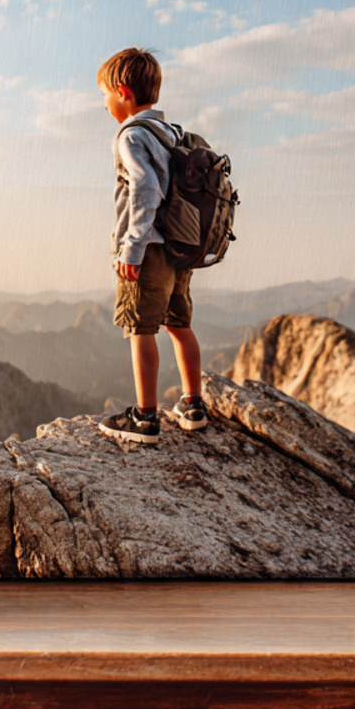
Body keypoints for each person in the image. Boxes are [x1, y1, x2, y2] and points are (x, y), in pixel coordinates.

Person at [95, 47, 208, 445]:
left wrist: (131, 248)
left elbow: (144, 188)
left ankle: (145, 417)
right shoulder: (171, 132)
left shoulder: (131, 135)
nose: (105, 104)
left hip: (150, 249)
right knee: (180, 324)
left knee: (140, 329)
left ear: (123, 92)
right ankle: (193, 405)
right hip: (181, 248)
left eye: (105, 95)